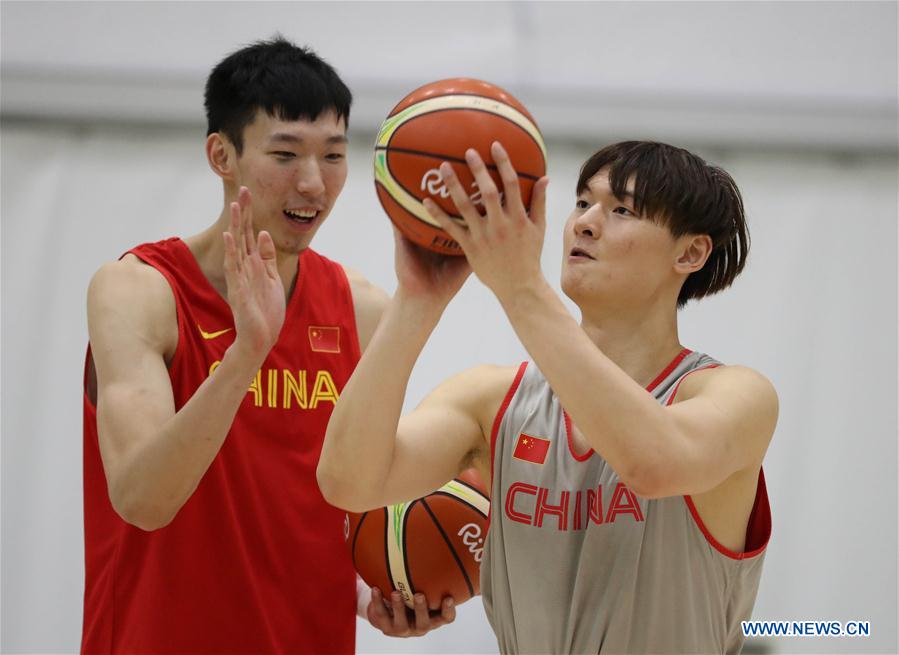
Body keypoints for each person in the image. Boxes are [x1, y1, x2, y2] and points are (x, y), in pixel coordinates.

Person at [318, 140, 778, 653]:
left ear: (689, 253)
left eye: (622, 210)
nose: (585, 223)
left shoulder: (737, 395)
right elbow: (347, 483)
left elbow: (652, 464)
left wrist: (522, 287)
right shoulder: (491, 399)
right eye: (582, 202)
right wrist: (416, 299)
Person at [82, 36, 453, 654]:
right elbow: (142, 500)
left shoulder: (361, 309)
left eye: (333, 156)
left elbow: (350, 496)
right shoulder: (139, 290)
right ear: (221, 154)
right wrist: (245, 356)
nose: (313, 182)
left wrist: (374, 587)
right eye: (285, 154)